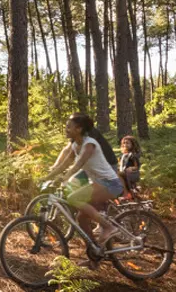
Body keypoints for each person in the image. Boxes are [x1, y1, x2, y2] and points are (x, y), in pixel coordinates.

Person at [42, 114, 125, 269]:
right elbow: (64, 164)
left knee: (74, 198)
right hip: (99, 183)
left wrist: (64, 178)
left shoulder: (90, 144)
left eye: (69, 126)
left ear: (78, 129)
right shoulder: (75, 145)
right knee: (81, 219)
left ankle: (109, 227)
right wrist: (47, 176)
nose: (66, 129)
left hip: (111, 184)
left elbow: (78, 164)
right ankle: (96, 255)